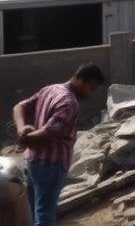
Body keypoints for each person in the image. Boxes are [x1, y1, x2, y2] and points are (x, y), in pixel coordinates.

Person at [11, 63, 105, 226]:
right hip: (51, 164)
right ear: (80, 79)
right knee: (45, 214)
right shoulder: (69, 103)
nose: (90, 93)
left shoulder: (50, 89)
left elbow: (20, 106)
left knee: (34, 208)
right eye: (91, 88)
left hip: (33, 160)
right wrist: (24, 137)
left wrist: (21, 131)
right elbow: (49, 133)